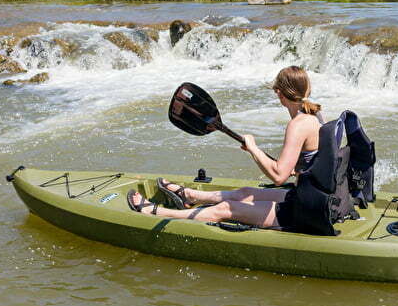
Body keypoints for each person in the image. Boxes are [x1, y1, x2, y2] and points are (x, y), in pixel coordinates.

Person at [126, 65, 323, 230]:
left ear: (279, 93)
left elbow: (279, 177)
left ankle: (156, 212)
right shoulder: (316, 116)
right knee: (244, 193)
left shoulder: (298, 125)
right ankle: (190, 196)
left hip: (304, 210)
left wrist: (254, 149)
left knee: (226, 208)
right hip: (314, 198)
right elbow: (295, 169)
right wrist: (256, 153)